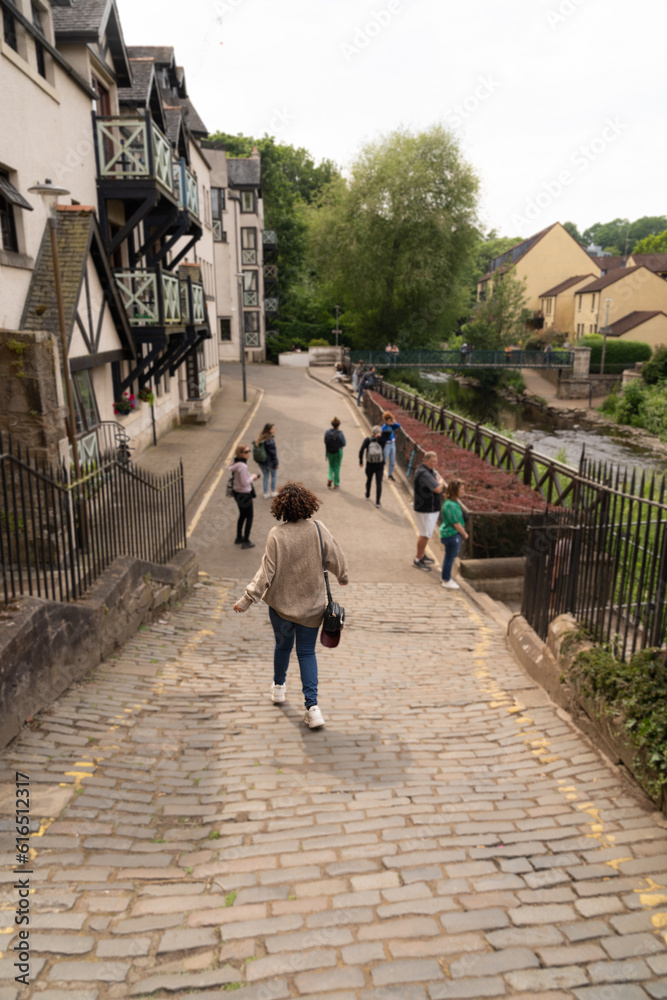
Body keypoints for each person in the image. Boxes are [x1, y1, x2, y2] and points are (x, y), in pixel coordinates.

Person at [232, 482, 348, 729]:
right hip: (312, 608)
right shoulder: (318, 529)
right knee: (306, 653)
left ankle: (278, 688)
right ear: (309, 504)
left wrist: (247, 599)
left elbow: (267, 571)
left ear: (280, 507)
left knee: (282, 647)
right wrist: (342, 575)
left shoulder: (277, 534)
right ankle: (312, 708)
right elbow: (336, 556)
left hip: (281, 607)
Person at [413, 450, 445, 571]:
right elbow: (437, 489)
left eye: (436, 461)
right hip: (427, 509)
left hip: (426, 508)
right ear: (426, 461)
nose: (435, 464)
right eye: (433, 461)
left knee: (424, 533)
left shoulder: (427, 471)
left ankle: (421, 555)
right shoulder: (424, 473)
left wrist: (439, 481)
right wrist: (441, 482)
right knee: (425, 535)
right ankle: (418, 559)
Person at [229, 443, 260, 549]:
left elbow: (240, 479)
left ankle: (238, 537)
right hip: (244, 495)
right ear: (241, 453)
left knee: (242, 515)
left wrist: (249, 475)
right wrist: (254, 477)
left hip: (237, 493)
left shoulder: (236, 463)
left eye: (249, 451)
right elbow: (244, 482)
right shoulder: (242, 466)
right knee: (249, 517)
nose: (248, 453)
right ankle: (246, 541)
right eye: (246, 452)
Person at [439, 479, 469, 590]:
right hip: (452, 534)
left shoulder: (453, 502)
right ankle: (446, 579)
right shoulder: (450, 505)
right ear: (455, 490)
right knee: (450, 558)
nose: (463, 491)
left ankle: (445, 578)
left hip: (451, 534)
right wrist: (465, 534)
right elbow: (456, 523)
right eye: (461, 489)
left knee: (449, 557)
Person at [359, 424, 389, 507]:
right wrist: (380, 434)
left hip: (370, 464)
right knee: (378, 483)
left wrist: (361, 461)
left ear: (372, 432)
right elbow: (389, 432)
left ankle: (368, 495)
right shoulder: (382, 440)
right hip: (379, 465)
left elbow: (361, 450)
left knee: (369, 480)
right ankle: (378, 502)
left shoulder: (367, 440)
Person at [255, 423, 279, 499]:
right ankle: (273, 491)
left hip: (262, 462)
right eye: (272, 429)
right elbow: (273, 454)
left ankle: (265, 493)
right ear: (268, 430)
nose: (274, 430)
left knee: (265, 476)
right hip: (270, 463)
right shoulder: (270, 441)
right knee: (274, 476)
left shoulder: (260, 438)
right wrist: (276, 463)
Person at [324, 417, 346, 489]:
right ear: (338, 425)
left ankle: (330, 477)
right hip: (338, 451)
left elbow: (325, 441)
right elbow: (344, 443)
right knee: (337, 466)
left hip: (329, 451)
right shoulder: (340, 433)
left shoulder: (327, 432)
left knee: (331, 465)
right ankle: (336, 483)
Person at [381, 410, 401, 481]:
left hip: (393, 444)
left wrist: (393, 423)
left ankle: (390, 474)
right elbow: (382, 437)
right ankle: (380, 473)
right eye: (388, 421)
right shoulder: (383, 427)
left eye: (390, 421)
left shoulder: (391, 426)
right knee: (384, 459)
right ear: (385, 420)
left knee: (392, 460)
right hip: (387, 444)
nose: (389, 422)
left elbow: (399, 425)